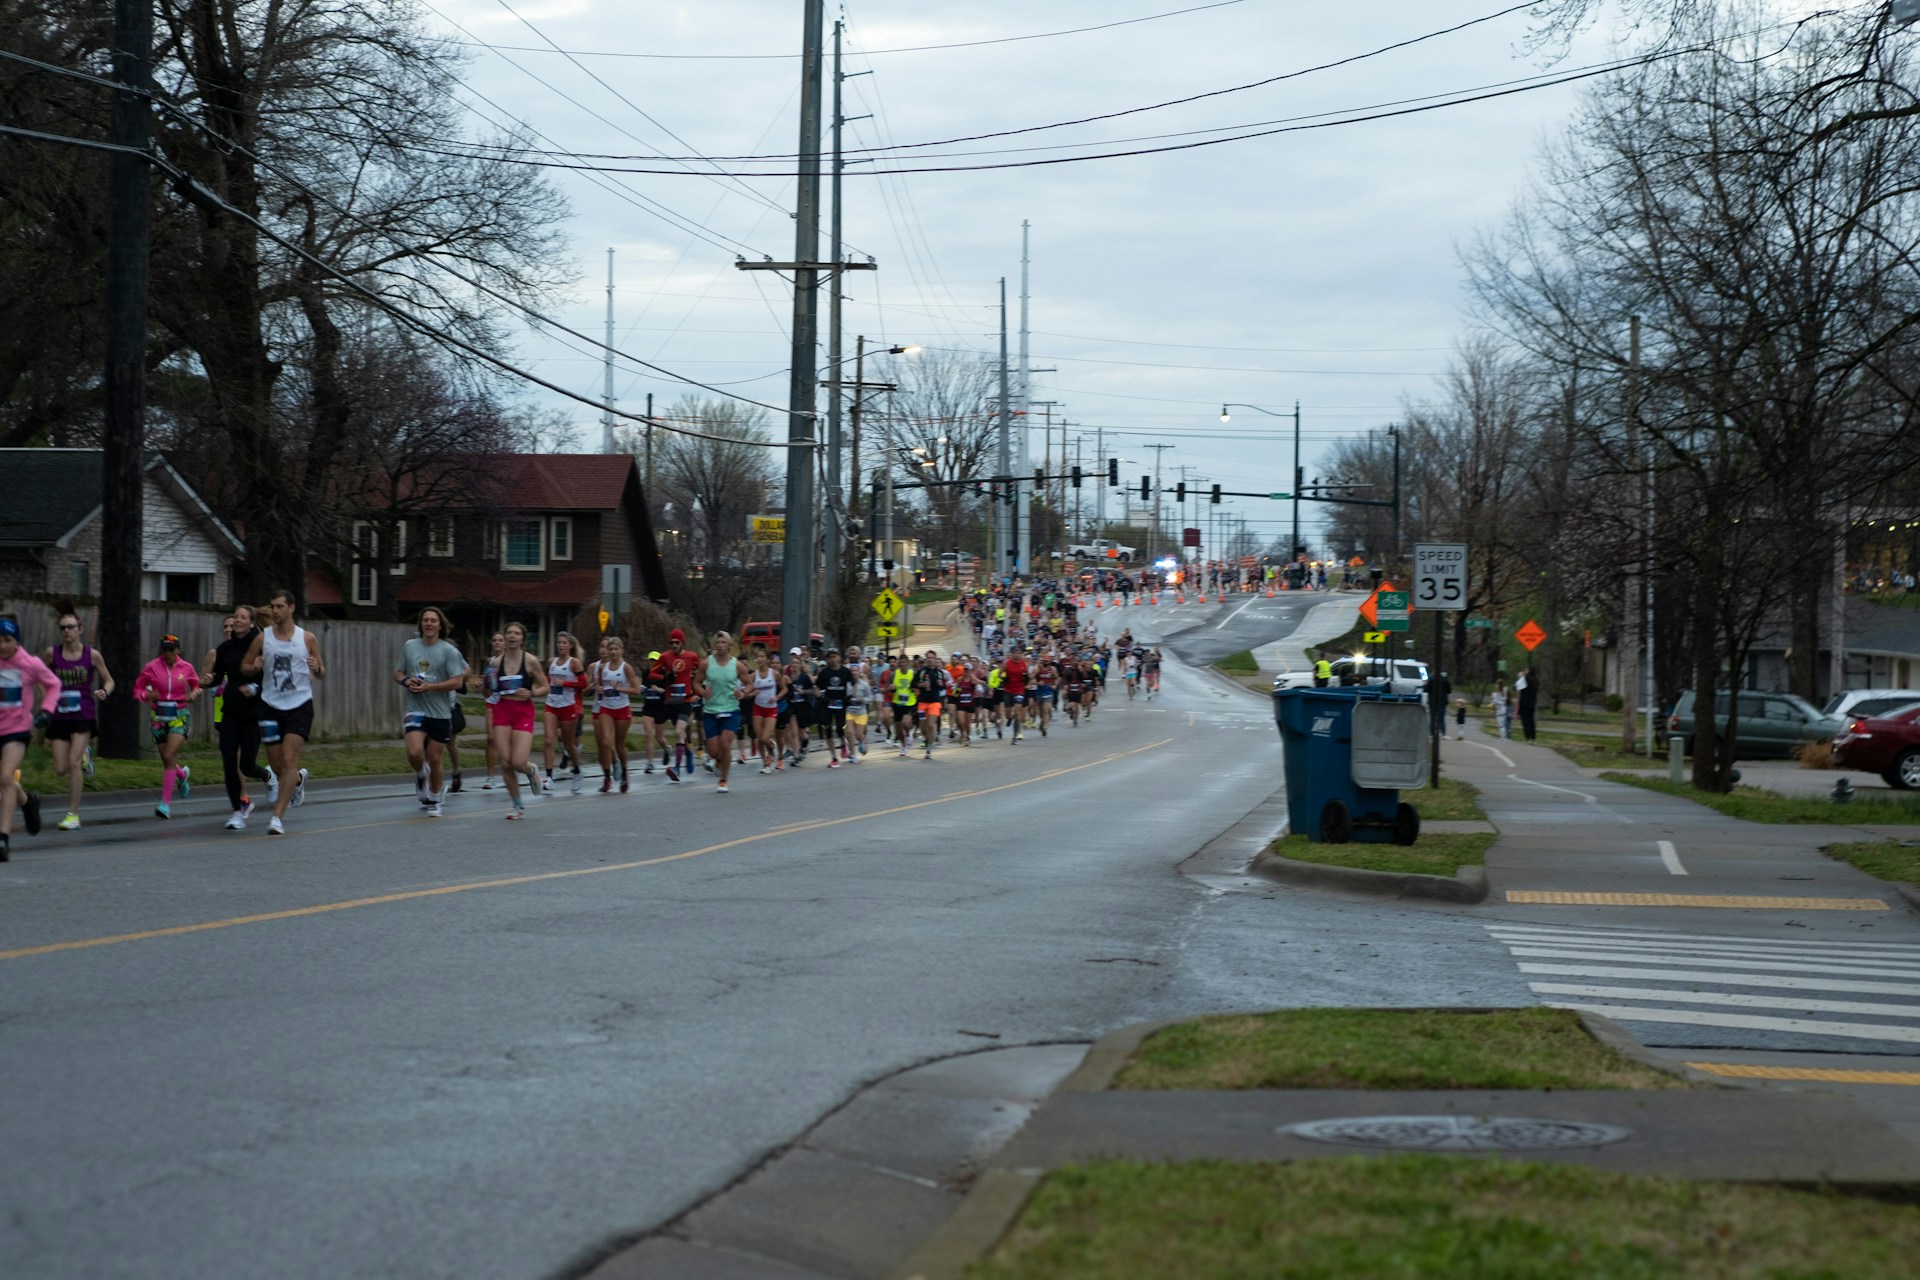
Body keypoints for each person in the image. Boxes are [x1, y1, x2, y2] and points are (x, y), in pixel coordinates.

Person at [244, 588, 324, 836]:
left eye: (280, 606)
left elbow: (321, 671)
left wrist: (317, 667)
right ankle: (297, 781)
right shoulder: (262, 638)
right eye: (273, 606)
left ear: (291, 608)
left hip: (299, 705)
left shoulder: (307, 638)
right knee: (278, 766)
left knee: (289, 760)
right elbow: (245, 666)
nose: (275, 611)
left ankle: (277, 817)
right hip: (269, 705)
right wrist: (253, 666)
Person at [44, 609, 114, 831]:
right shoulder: (52, 654)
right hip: (59, 715)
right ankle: (85, 755)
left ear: (80, 629)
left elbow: (109, 680)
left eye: (70, 627)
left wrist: (105, 691)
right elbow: (38, 675)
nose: (66, 631)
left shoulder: (92, 655)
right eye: (62, 628)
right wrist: (46, 697)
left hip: (83, 713)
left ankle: (72, 814)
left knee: (73, 763)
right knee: (60, 768)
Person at [395, 606, 468, 818]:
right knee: (414, 752)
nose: (428, 623)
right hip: (415, 709)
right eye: (425, 620)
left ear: (440, 625)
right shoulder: (410, 646)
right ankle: (421, 772)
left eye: (433, 621)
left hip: (441, 712)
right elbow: (397, 673)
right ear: (421, 624)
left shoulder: (449, 651)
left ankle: (435, 798)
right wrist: (407, 680)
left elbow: (457, 680)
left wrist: (431, 687)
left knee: (435, 758)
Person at [0, 614, 61, 860]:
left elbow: (54, 684)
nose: (2, 645)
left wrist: (46, 710)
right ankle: (28, 802)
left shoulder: (29, 663)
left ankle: (3, 839)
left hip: (16, 730)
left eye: (7, 640)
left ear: (17, 641)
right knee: (3, 780)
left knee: (5, 777)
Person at [205, 604, 271, 829]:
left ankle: (267, 776)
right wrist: (206, 681)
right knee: (228, 761)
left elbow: (270, 680)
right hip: (230, 712)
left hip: (253, 713)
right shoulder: (225, 649)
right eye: (236, 617)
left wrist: (254, 689)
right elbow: (217, 677)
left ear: (252, 622)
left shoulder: (262, 647)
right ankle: (238, 810)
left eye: (243, 617)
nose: (238, 620)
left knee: (247, 765)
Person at [132, 632, 201, 820]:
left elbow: (196, 684)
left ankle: (165, 805)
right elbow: (137, 690)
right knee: (166, 759)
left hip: (179, 716)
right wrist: (147, 696)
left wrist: (194, 694)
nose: (168, 653)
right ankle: (182, 775)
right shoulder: (151, 667)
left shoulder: (186, 667)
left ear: (178, 650)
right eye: (164, 650)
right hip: (159, 717)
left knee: (170, 755)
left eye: (171, 650)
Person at [486, 621, 548, 819]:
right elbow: (487, 691)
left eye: (516, 633)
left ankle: (530, 770)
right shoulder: (495, 663)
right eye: (509, 633)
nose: (512, 636)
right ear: (504, 638)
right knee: (505, 763)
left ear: (522, 638)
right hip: (502, 709)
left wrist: (531, 692)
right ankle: (518, 805)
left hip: (523, 710)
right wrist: (486, 684)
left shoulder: (530, 661)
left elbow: (544, 686)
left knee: (518, 761)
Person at [696, 630, 750, 793]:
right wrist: (701, 691)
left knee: (726, 745)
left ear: (729, 646)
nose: (720, 646)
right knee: (713, 751)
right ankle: (718, 761)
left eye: (723, 643)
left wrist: (743, 692)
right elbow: (696, 682)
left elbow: (749, 684)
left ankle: (723, 780)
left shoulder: (737, 665)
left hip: (731, 710)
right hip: (711, 711)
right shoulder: (706, 663)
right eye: (717, 643)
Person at [591, 637, 637, 792]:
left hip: (622, 709)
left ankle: (624, 773)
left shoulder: (626, 668)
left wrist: (620, 688)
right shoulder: (601, 668)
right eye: (610, 649)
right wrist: (599, 689)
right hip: (606, 708)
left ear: (621, 650)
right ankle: (606, 778)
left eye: (616, 649)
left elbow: (636, 690)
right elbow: (601, 686)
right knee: (605, 742)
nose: (612, 652)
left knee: (619, 745)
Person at [542, 631, 586, 792]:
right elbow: (546, 680)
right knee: (548, 740)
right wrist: (544, 686)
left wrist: (565, 683)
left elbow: (583, 684)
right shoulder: (551, 661)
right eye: (559, 642)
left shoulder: (574, 663)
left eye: (564, 643)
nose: (561, 645)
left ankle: (577, 770)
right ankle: (548, 777)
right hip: (551, 705)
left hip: (568, 706)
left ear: (570, 645)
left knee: (568, 744)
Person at [655, 629, 701, 781]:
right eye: (672, 642)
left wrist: (697, 692)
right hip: (671, 702)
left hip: (686, 701)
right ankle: (688, 752)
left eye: (677, 642)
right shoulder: (664, 657)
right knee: (681, 733)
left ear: (682, 643)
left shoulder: (692, 656)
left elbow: (703, 672)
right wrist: (666, 676)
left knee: (679, 730)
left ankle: (676, 768)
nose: (674, 645)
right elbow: (652, 675)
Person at [1517, 667, 1539, 742]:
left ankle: (1527, 737)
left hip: (1524, 703)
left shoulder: (1525, 679)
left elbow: (1516, 687)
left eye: (1526, 670)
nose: (1524, 671)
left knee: (1525, 721)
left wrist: (1520, 677)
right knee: (1531, 720)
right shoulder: (1535, 680)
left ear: (1528, 671)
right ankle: (1533, 737)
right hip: (1532, 703)